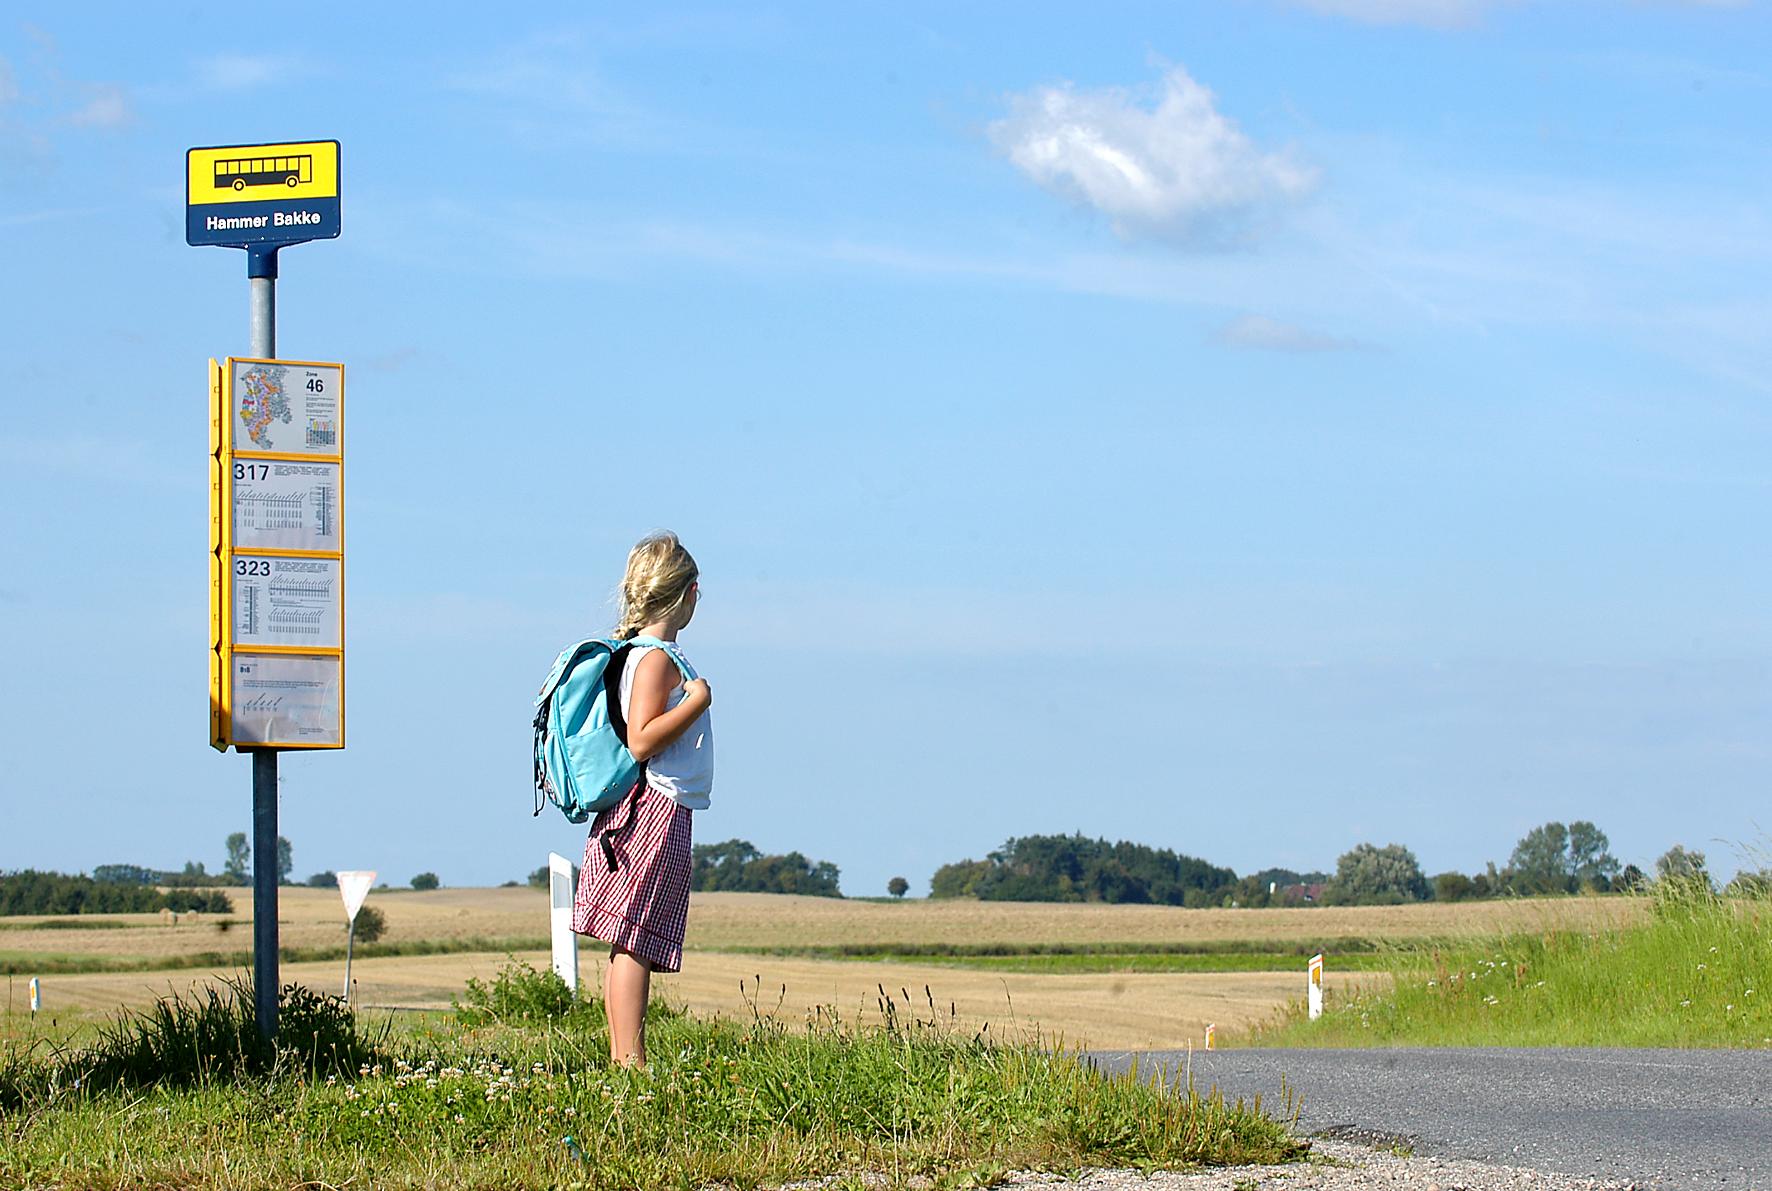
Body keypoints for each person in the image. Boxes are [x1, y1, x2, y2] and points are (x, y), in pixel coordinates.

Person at [571, 531, 713, 1067]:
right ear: (687, 592)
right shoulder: (657, 660)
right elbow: (642, 737)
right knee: (635, 938)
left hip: (646, 807)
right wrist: (698, 702)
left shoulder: (641, 653)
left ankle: (623, 1058)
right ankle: (629, 1061)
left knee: (631, 937)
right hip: (653, 807)